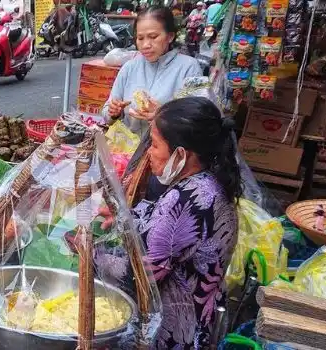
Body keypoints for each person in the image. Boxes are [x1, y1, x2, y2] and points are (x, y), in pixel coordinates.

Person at [130, 96, 240, 349]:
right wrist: (124, 218)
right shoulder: (210, 180)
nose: (149, 152)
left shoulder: (186, 198)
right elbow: (163, 228)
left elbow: (142, 273)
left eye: (154, 145)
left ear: (181, 154)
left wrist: (89, 252)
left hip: (176, 332)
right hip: (201, 318)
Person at [103, 6, 203, 135]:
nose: (145, 45)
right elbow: (107, 113)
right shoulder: (129, 68)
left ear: (170, 36)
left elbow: (199, 121)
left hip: (167, 147)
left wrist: (164, 117)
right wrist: (114, 113)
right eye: (140, 38)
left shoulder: (189, 68)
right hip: (129, 146)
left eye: (153, 36)